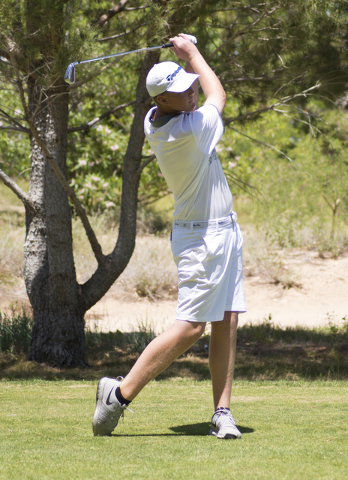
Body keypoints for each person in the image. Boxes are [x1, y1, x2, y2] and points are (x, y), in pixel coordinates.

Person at [92, 33, 246, 440]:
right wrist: (193, 51)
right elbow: (219, 92)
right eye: (181, 91)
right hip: (201, 240)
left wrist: (179, 63)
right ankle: (118, 396)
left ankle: (222, 412)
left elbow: (198, 88)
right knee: (193, 326)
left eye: (189, 82)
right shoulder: (192, 128)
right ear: (162, 101)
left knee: (227, 320)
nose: (192, 91)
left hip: (223, 231)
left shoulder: (153, 119)